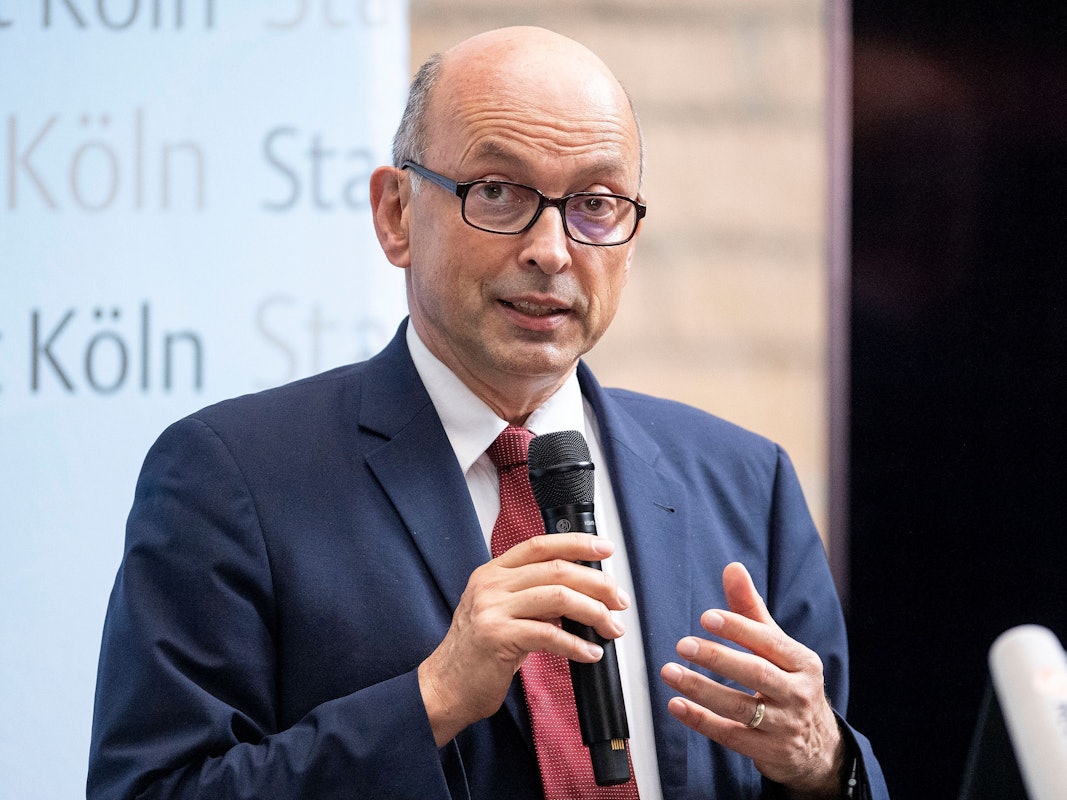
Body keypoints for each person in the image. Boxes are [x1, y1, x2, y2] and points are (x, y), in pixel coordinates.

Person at [88, 26, 889, 800]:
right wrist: (431, 697)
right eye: (499, 192)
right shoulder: (232, 478)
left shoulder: (745, 482)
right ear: (396, 214)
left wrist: (821, 764)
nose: (551, 248)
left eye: (596, 203)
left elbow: (837, 771)